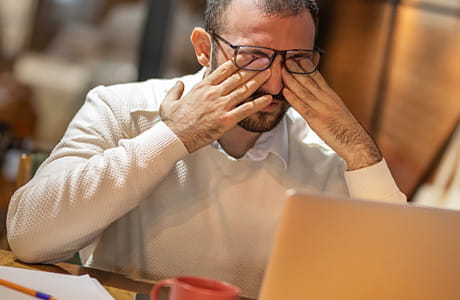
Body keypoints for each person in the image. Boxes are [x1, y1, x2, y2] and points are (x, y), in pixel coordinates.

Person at [7, 0, 406, 298]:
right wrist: (173, 136)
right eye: (255, 57)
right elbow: (30, 237)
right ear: (204, 48)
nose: (274, 83)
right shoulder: (121, 107)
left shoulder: (326, 148)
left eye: (298, 60)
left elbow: (398, 283)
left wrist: (359, 150)